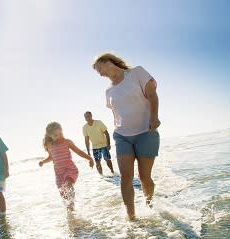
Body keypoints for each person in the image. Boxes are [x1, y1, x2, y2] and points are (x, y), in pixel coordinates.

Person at [93, 52, 161, 221]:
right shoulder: (109, 91)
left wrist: (154, 117)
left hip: (146, 132)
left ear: (108, 61)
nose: (100, 74)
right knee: (125, 177)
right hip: (122, 135)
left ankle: (149, 205)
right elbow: (117, 113)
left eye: (99, 69)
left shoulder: (137, 73)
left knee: (144, 177)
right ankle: (131, 218)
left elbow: (152, 95)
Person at [39, 122, 94, 211]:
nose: (59, 136)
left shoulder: (67, 142)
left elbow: (78, 152)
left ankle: (72, 204)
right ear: (50, 136)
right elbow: (51, 157)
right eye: (56, 135)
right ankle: (70, 210)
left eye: (60, 133)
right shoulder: (50, 145)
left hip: (70, 169)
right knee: (63, 193)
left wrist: (89, 158)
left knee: (69, 185)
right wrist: (43, 161)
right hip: (59, 173)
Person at [83, 111, 114, 175]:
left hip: (104, 145)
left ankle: (112, 172)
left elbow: (106, 133)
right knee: (97, 162)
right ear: (85, 118)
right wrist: (88, 151)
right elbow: (86, 140)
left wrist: (108, 144)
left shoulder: (98, 122)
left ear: (91, 116)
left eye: (88, 116)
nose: (87, 118)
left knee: (107, 160)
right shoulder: (85, 127)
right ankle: (101, 177)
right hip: (95, 147)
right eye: (86, 117)